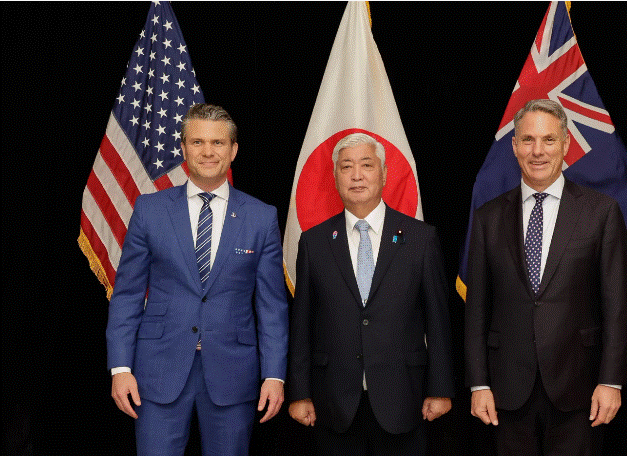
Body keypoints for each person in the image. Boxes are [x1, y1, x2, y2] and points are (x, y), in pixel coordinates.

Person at [106, 103, 288, 456]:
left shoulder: (261, 217)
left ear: (233, 150)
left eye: (218, 143)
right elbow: (127, 295)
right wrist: (120, 367)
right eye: (198, 142)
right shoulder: (149, 210)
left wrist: (274, 375)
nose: (208, 151)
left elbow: (272, 308)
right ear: (183, 148)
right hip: (157, 370)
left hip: (233, 374)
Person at [464, 99, 627, 456]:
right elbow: (476, 310)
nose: (537, 151)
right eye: (528, 140)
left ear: (566, 143)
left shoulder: (601, 212)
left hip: (580, 388)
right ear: (514, 146)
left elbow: (617, 307)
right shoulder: (487, 218)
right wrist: (478, 384)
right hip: (507, 390)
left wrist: (611, 381)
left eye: (548, 140)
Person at [288, 133, 454, 456]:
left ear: (384, 173)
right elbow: (302, 324)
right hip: (333, 401)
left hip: (403, 398)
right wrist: (300, 392)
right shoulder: (313, 242)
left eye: (366, 165)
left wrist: (441, 388)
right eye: (346, 167)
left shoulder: (421, 239)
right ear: (335, 176)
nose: (357, 175)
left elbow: (437, 319)